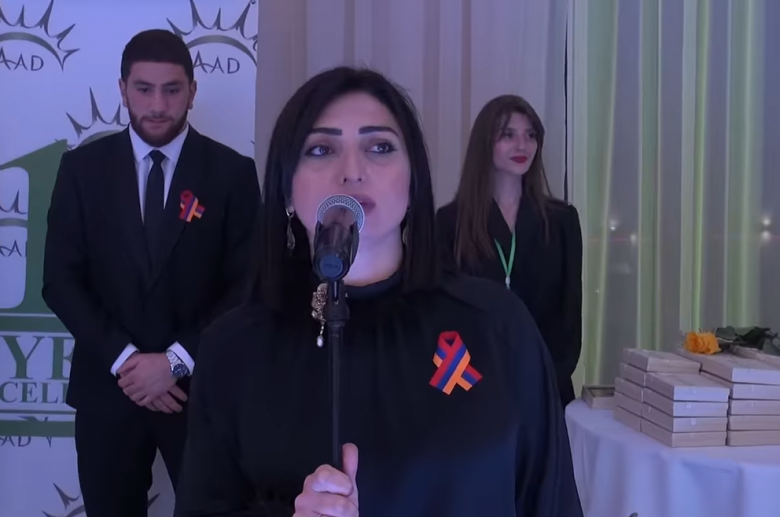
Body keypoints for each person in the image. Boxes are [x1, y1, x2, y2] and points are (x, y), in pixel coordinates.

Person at [173, 67, 582, 517]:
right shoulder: (234, 347)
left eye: (380, 147)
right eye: (321, 149)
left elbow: (550, 501)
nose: (352, 172)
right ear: (286, 188)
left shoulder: (497, 325)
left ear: (413, 180)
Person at [41, 29, 261, 517]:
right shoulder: (81, 170)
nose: (158, 105)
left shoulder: (232, 173)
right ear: (123, 89)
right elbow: (60, 280)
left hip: (200, 393)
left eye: (172, 89)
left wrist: (176, 362)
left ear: (192, 91)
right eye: (144, 89)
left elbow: (247, 285)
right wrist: (128, 362)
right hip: (108, 391)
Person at [436, 95, 583, 408]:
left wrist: (544, 380)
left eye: (530, 135)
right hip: (472, 394)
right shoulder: (450, 222)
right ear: (484, 144)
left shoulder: (562, 220)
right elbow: (441, 316)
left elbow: (569, 318)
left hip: (545, 388)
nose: (522, 145)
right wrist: (470, 388)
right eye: (508, 135)